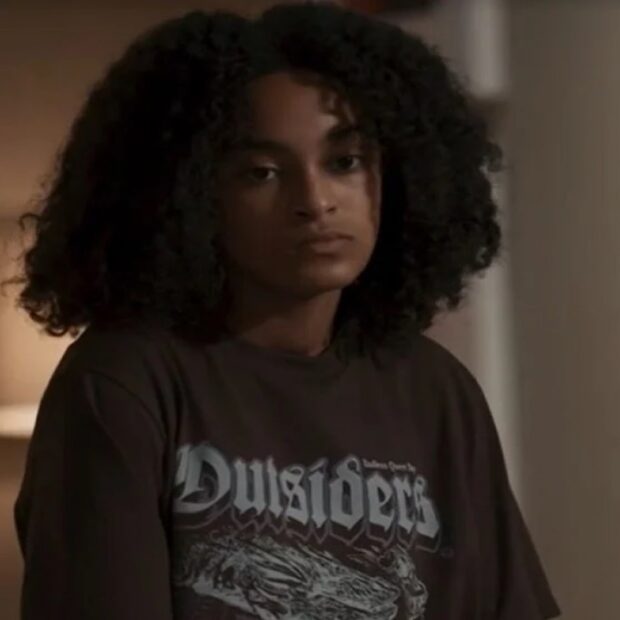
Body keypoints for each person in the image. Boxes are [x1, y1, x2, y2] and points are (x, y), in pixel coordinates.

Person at [9, 2, 560, 618]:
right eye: (263, 172)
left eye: (344, 162)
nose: (315, 201)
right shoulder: (123, 383)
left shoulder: (438, 391)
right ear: (190, 193)